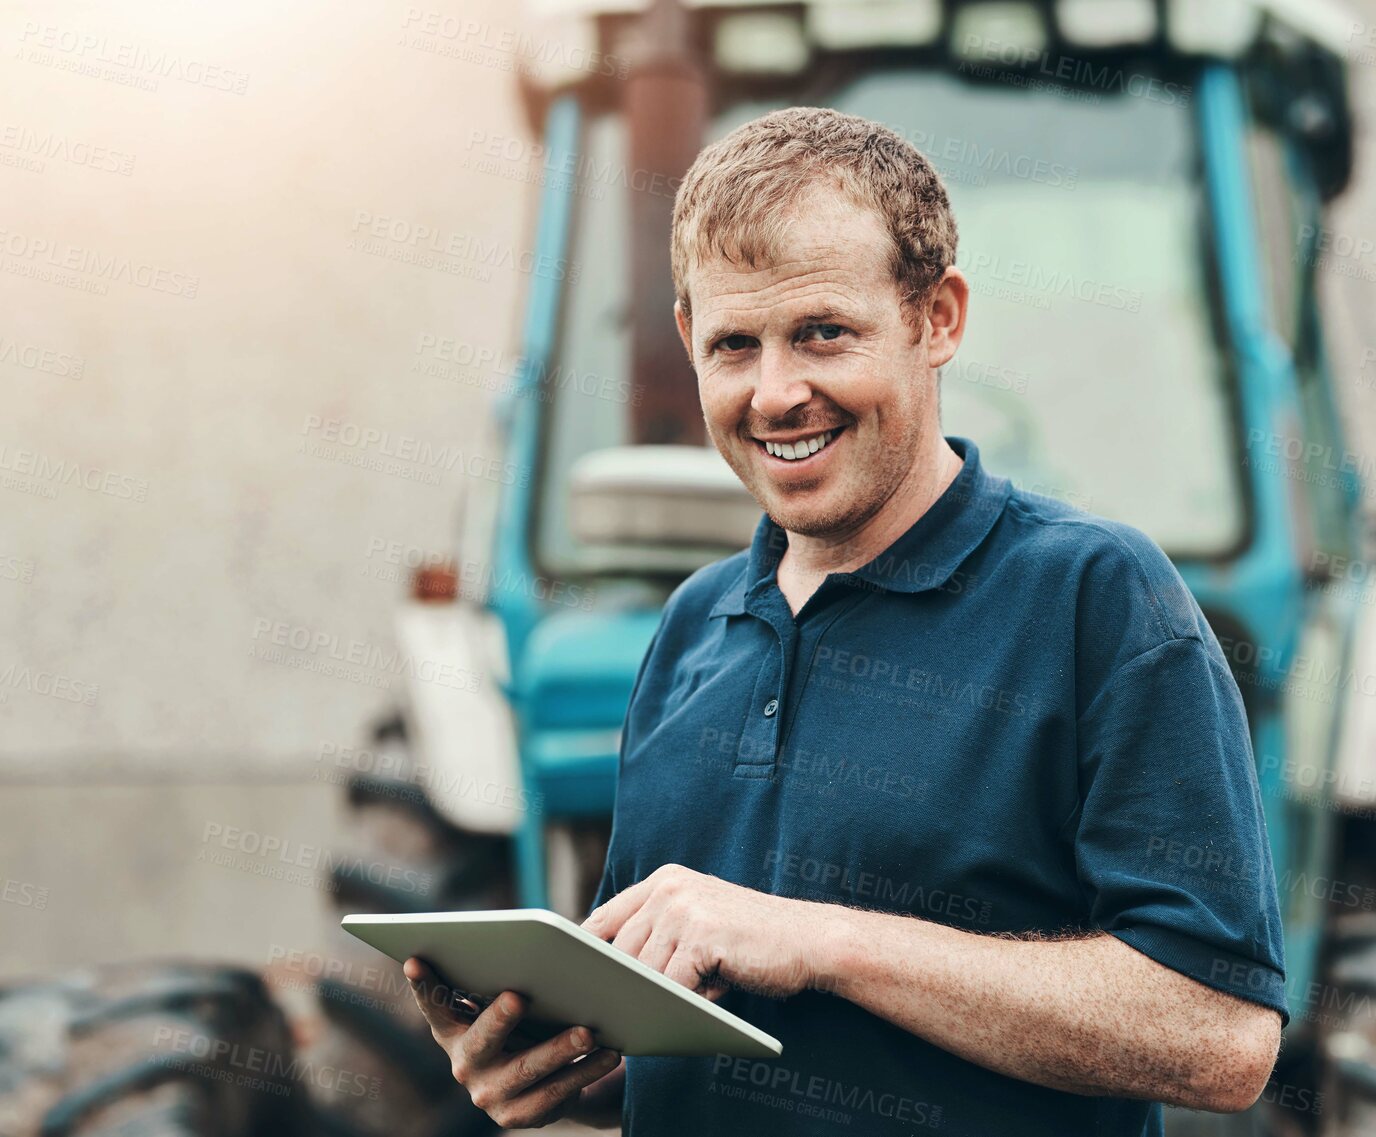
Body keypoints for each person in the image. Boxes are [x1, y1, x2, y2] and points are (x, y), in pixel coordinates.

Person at [406, 105, 1286, 1135]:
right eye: (734, 345)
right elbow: (702, 1042)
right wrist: (549, 1070)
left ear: (937, 319)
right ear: (688, 342)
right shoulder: (692, 629)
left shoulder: (1096, 599)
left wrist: (819, 942)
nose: (775, 394)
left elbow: (1221, 1036)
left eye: (822, 332)